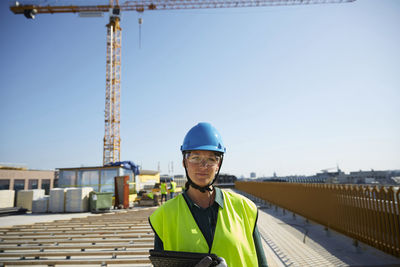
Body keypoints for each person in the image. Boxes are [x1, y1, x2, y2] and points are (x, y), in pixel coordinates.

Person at [149, 122, 268, 267]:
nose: (203, 166)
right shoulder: (164, 216)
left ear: (218, 165)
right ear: (184, 162)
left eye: (211, 159)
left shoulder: (244, 208)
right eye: (195, 158)